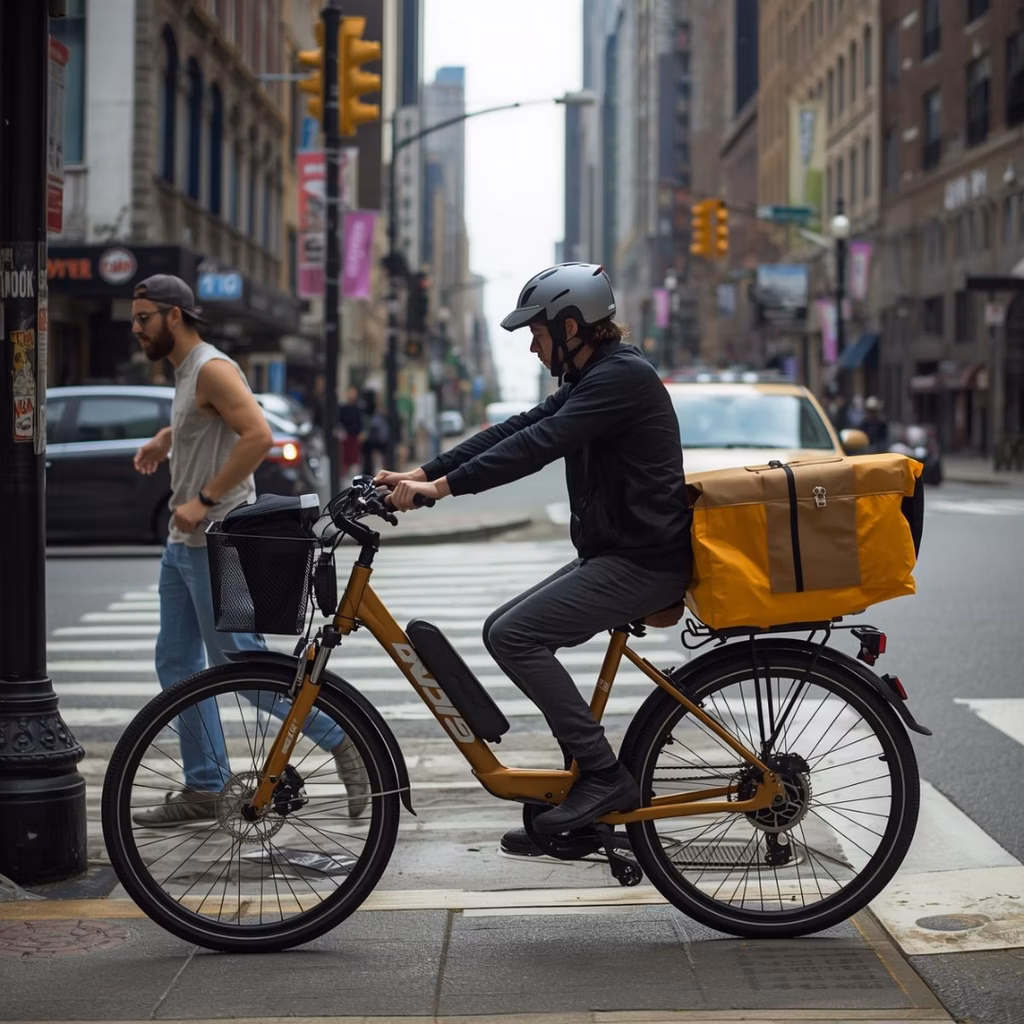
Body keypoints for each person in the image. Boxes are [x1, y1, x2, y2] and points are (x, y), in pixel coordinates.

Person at [375, 262, 693, 855]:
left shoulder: (621, 378)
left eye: (538, 332)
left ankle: (602, 776)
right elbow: (518, 427)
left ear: (572, 325)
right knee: (503, 628)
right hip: (618, 553)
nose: (532, 345)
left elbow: (538, 446)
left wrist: (441, 492)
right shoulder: (592, 376)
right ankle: (578, 803)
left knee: (518, 635)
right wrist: (422, 473)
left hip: (645, 560)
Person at [127, 274, 369, 827]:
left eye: (143, 317)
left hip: (216, 540)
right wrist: (164, 440)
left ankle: (341, 739)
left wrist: (205, 498)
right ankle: (206, 787)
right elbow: (205, 423)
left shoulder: (211, 367)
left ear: (174, 315)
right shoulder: (187, 373)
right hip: (182, 544)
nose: (136, 328)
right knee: (178, 666)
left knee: (243, 665)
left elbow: (256, 434)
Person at [337, 385, 365, 478]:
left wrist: (360, 433)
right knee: (345, 457)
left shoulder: (358, 407)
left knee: (355, 458)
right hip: (346, 435)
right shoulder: (343, 407)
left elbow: (360, 421)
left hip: (354, 435)